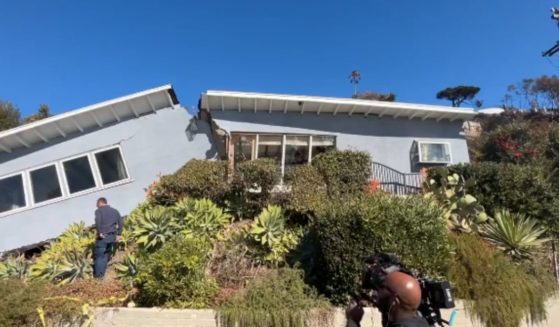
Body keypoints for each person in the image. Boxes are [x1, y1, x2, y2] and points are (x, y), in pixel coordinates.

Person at [93, 197, 123, 278]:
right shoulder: (115, 211)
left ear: (100, 203)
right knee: (106, 255)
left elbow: (98, 222)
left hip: (103, 237)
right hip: (112, 237)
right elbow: (120, 223)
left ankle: (99, 277)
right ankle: (102, 275)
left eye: (97, 205)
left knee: (99, 257)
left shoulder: (98, 211)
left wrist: (100, 233)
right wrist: (119, 234)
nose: (97, 207)